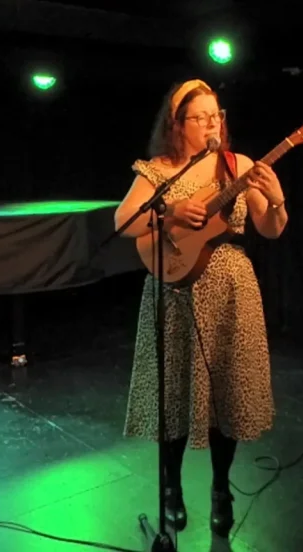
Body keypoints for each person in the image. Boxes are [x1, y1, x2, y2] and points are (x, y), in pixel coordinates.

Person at [114, 79, 289, 537]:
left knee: (226, 394)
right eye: (201, 117)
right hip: (174, 294)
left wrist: (276, 199)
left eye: (217, 115)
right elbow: (124, 222)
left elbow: (270, 228)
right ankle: (170, 487)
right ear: (178, 124)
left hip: (231, 291)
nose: (213, 123)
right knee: (173, 393)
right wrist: (171, 212)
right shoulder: (158, 171)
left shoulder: (238, 166)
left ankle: (220, 489)